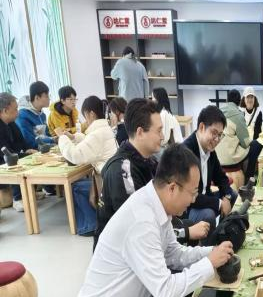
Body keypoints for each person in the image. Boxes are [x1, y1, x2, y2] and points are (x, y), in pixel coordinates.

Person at [77, 144, 234, 297]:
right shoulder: (142, 221)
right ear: (172, 188)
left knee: (191, 294)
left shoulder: (157, 205)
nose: (193, 200)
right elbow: (165, 292)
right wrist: (209, 263)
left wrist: (211, 252)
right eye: (192, 193)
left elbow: (175, 255)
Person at [95, 98, 208, 246]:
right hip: (125, 248)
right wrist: (185, 232)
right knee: (191, 230)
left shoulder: (149, 161)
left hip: (146, 232)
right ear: (140, 132)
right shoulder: (123, 172)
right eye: (159, 131)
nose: (163, 136)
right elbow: (140, 228)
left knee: (193, 224)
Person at [56, 96, 117, 236]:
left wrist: (62, 137)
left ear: (91, 114)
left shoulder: (97, 134)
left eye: (85, 116)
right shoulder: (105, 129)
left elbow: (75, 156)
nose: (85, 121)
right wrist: (73, 137)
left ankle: (90, 225)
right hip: (111, 178)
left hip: (106, 182)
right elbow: (90, 142)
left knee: (76, 187)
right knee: (81, 184)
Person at [183, 105, 237, 229]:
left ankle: (221, 231)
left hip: (205, 198)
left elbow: (221, 178)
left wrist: (227, 197)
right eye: (214, 133)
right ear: (202, 127)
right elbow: (190, 196)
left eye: (220, 135)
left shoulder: (209, 150)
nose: (217, 139)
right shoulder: (186, 152)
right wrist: (220, 203)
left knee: (233, 195)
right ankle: (211, 241)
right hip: (189, 206)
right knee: (208, 215)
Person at [0, 93, 39, 212]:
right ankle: (17, 198)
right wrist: (25, 154)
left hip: (11, 156)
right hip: (3, 161)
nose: (18, 112)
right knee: (15, 162)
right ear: (5, 110)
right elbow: (5, 152)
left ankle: (29, 192)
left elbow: (21, 142)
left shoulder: (11, 122)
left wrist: (28, 150)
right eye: (15, 109)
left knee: (32, 157)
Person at [217, 89, 262, 180]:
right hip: (230, 157)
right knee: (255, 144)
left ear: (227, 100)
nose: (250, 100)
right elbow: (245, 143)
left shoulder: (218, 112)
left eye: (251, 97)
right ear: (241, 100)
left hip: (217, 155)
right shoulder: (238, 114)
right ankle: (249, 178)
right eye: (248, 97)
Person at [16, 81, 54, 150]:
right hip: (34, 152)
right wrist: (52, 140)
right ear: (37, 98)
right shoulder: (22, 115)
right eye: (46, 96)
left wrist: (54, 138)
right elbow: (30, 142)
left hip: (45, 149)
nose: (49, 99)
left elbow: (47, 135)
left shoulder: (42, 115)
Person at [152, 87, 183, 152]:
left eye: (153, 98)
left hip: (174, 149)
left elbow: (164, 139)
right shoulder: (164, 112)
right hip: (171, 147)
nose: (152, 100)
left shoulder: (163, 114)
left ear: (158, 99)